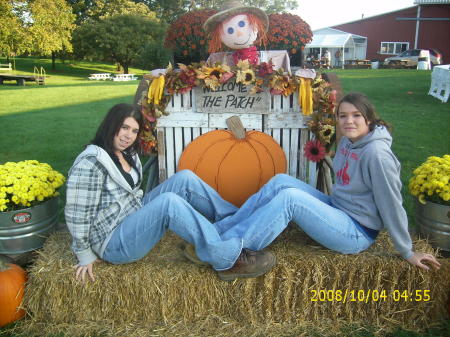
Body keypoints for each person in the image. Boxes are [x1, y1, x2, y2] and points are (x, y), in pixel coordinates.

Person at [185, 92, 441, 271]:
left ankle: (226, 249)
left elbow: (392, 203)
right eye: (343, 116)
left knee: (290, 199)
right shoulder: (348, 141)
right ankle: (220, 230)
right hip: (338, 209)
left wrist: (407, 251)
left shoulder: (376, 154)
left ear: (369, 120)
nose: (348, 121)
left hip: (356, 232)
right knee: (280, 182)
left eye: (356, 116)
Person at [65, 103, 276, 282]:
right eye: (123, 128)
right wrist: (84, 254)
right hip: (114, 242)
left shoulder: (126, 153)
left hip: (132, 214)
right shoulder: (91, 163)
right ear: (111, 126)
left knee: (185, 178)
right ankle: (227, 259)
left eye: (134, 131)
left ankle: (235, 221)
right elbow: (77, 214)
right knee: (168, 203)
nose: (128, 136)